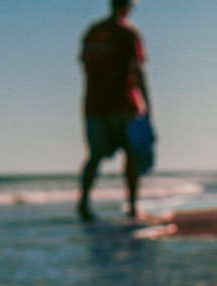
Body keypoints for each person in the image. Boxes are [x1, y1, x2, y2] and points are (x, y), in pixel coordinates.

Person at [77, 0, 151, 222]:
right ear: (126, 7)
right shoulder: (128, 34)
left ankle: (83, 202)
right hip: (124, 103)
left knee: (95, 155)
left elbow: (85, 66)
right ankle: (132, 206)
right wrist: (147, 105)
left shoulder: (93, 32)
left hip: (94, 104)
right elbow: (137, 71)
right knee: (131, 154)